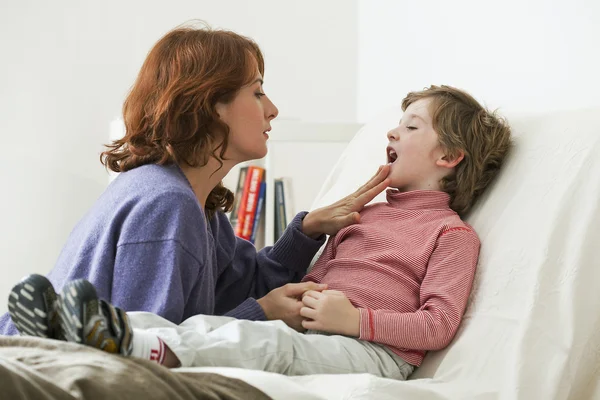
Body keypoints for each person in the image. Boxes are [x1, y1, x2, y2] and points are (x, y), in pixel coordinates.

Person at [8, 85, 512, 380]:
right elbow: (267, 285)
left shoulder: (451, 235)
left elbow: (437, 324)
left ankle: (135, 349)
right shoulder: (365, 216)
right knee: (217, 332)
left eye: (412, 127)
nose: (391, 133)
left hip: (371, 352)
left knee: (265, 345)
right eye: (257, 89)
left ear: (449, 157)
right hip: (314, 332)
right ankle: (94, 332)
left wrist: (358, 321)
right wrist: (313, 234)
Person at [0, 24, 391, 337]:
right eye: (257, 93)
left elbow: (247, 282)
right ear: (209, 105)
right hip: (47, 364)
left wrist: (305, 230)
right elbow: (151, 347)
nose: (272, 110)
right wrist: (263, 314)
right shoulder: (167, 205)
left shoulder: (196, 205)